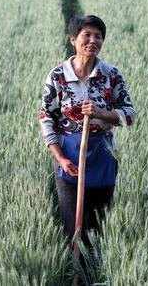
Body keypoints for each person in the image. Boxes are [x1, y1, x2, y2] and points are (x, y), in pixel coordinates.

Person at [39, 15, 136, 250]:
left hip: (102, 155)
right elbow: (45, 118)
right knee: (74, 226)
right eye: (87, 35)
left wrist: (102, 113)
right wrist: (60, 158)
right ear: (73, 40)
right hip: (69, 156)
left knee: (98, 224)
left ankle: (96, 270)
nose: (93, 40)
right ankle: (76, 272)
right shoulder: (58, 76)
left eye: (98, 36)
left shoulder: (111, 74)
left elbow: (129, 114)